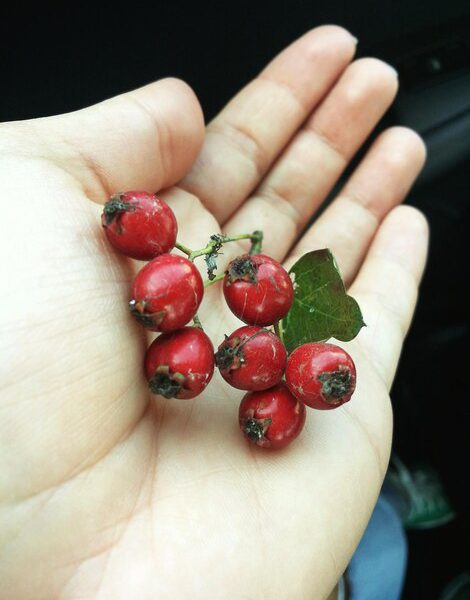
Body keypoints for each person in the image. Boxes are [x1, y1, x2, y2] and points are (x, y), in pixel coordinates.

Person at [0, 24, 429, 600]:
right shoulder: (211, 308)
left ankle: (388, 514)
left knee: (380, 543)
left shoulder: (228, 314)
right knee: (383, 546)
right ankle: (391, 513)